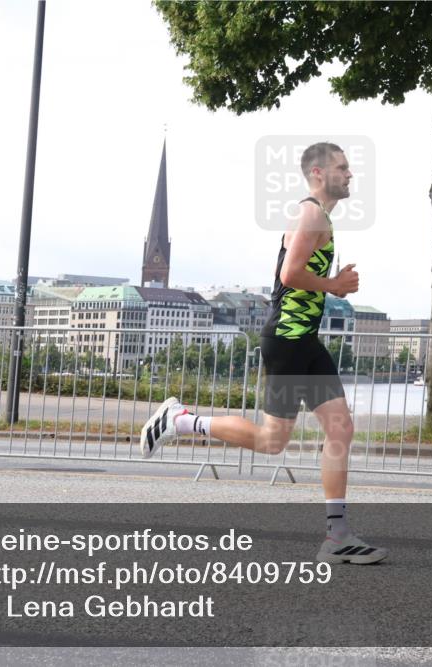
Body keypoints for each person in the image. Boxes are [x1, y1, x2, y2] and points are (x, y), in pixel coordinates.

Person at [139, 142, 387, 565]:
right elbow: (288, 275)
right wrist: (334, 286)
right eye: (342, 168)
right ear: (318, 173)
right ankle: (181, 421)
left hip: (305, 340)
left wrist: (331, 286)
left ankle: (338, 535)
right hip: (288, 341)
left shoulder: (321, 216)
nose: (350, 175)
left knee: (340, 430)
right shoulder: (309, 213)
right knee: (273, 441)